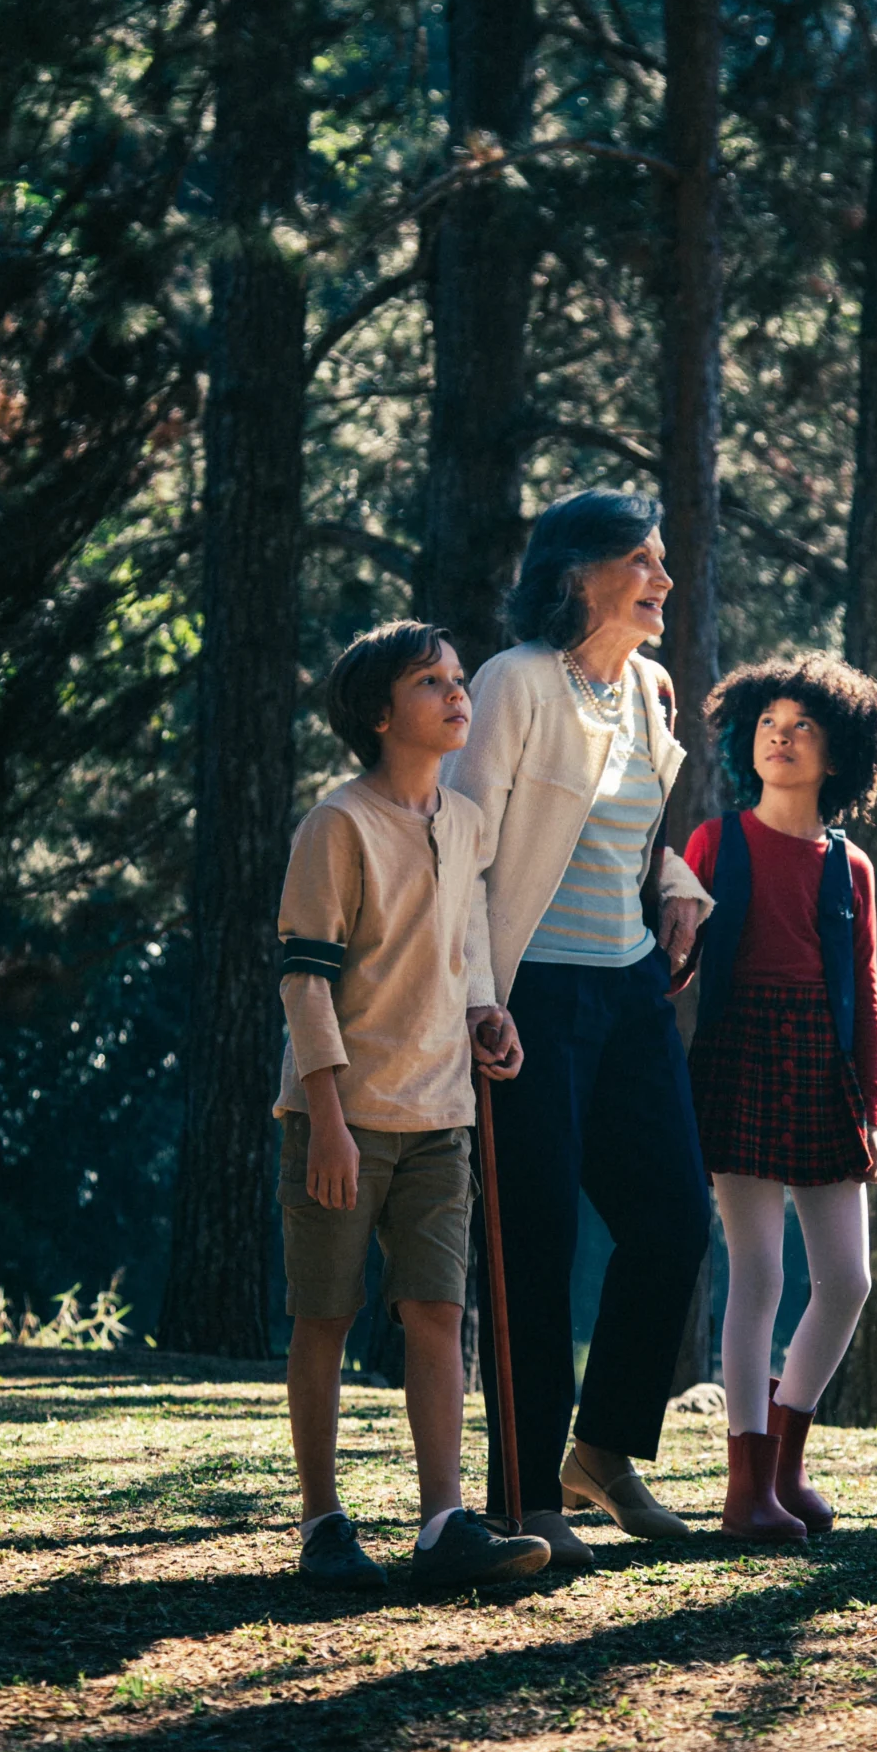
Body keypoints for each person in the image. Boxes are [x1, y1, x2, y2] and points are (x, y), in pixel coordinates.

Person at [443, 490, 716, 1572]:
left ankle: (600, 1451)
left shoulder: (647, 689)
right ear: (574, 574)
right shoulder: (513, 683)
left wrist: (682, 883)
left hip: (629, 986)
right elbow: (461, 853)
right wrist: (475, 994)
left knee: (671, 1220)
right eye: (641, 561)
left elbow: (632, 830)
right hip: (532, 997)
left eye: (661, 559)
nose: (662, 580)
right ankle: (521, 1498)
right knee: (534, 1240)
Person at [276, 618, 551, 1595]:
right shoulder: (337, 824)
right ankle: (323, 1524)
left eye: (457, 676)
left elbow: (468, 940)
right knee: (327, 1317)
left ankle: (445, 1524)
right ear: (381, 713)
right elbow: (305, 980)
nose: (456, 692)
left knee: (438, 1310)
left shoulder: (467, 822)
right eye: (432, 681)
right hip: (341, 1121)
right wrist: (329, 1117)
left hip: (444, 1119)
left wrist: (488, 1016)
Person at [683, 654, 877, 1541]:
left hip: (823, 1072)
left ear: (838, 752)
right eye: (768, 723)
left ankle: (784, 1466)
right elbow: (678, 962)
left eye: (802, 725)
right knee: (759, 1274)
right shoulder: (715, 842)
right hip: (737, 1061)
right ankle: (745, 1489)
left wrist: (875, 1112)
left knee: (846, 1279)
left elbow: (866, 990)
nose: (780, 736)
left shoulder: (850, 867)